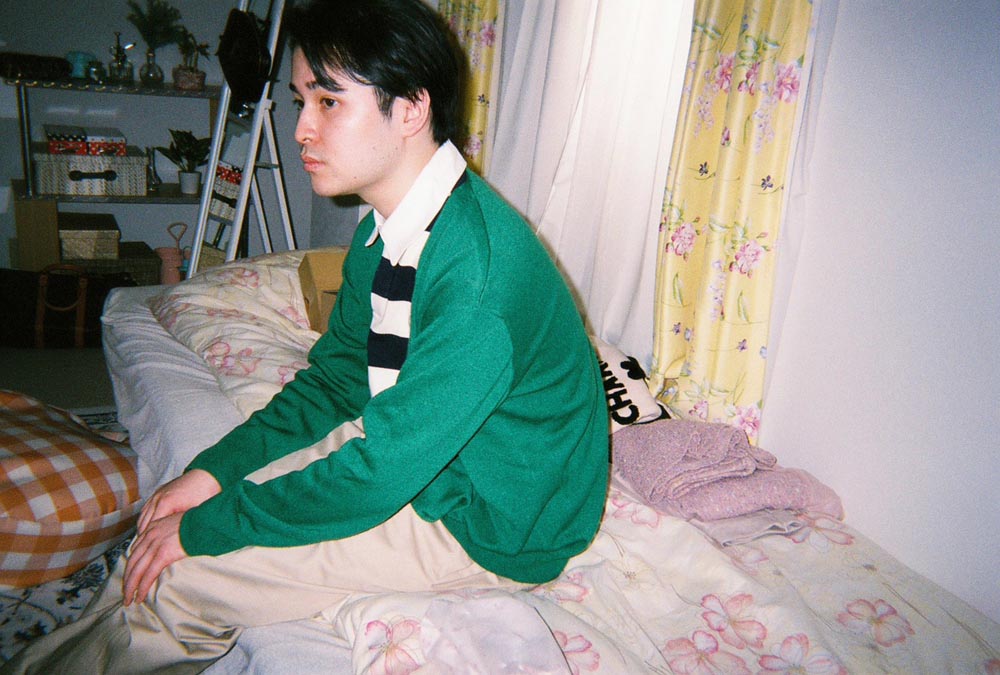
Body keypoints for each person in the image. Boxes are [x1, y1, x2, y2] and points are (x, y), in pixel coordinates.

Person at [2, 0, 608, 672]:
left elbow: (380, 474)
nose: (300, 130)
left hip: (492, 518)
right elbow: (338, 379)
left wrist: (208, 529)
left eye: (328, 102)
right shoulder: (388, 228)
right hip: (424, 453)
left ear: (411, 108)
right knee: (165, 523)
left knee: (183, 575)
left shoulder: (478, 277)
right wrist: (213, 471)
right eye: (300, 102)